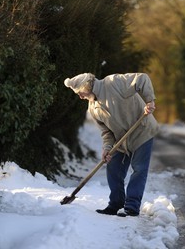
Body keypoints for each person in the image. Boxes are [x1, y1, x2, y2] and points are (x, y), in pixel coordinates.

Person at [64, 72, 158, 217]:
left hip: (142, 130)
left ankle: (131, 206)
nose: (80, 96)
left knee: (139, 168)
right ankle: (116, 203)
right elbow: (107, 133)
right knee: (113, 169)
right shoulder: (93, 108)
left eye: (80, 92)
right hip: (122, 139)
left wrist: (149, 101)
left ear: (87, 86)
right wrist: (107, 148)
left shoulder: (114, 83)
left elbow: (142, 78)